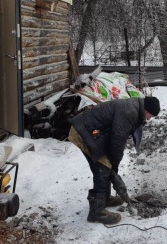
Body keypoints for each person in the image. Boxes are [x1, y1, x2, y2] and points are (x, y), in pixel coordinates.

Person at [68, 96, 161, 224]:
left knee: (106, 166)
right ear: (146, 109)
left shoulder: (136, 108)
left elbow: (117, 135)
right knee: (102, 168)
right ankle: (96, 212)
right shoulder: (130, 111)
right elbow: (117, 140)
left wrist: (113, 164)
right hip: (83, 131)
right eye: (150, 115)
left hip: (94, 132)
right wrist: (114, 163)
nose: (149, 118)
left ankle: (104, 199)